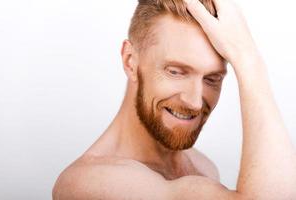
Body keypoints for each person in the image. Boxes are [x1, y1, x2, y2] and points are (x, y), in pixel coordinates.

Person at [52, 0, 296, 199]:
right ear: (130, 61)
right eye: (176, 72)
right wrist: (247, 57)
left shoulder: (204, 167)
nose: (194, 102)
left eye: (212, 79)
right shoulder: (86, 184)